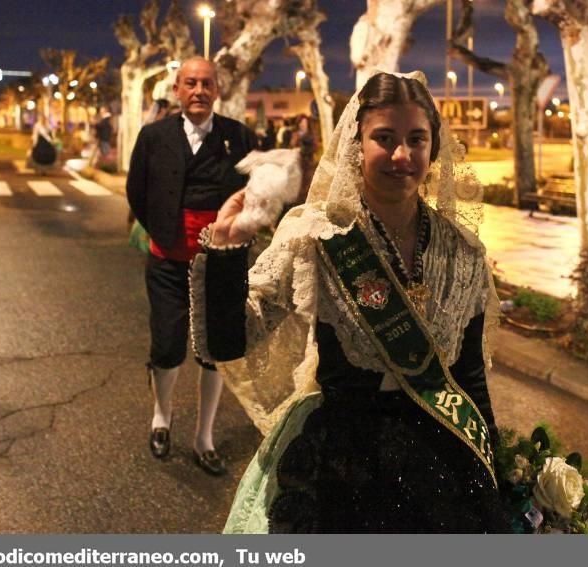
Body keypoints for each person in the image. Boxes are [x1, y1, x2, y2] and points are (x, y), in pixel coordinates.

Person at [189, 71, 509, 532]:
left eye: (416, 139)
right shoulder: (316, 236)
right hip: (340, 462)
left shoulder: (462, 253)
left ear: (433, 147)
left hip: (443, 462)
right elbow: (225, 345)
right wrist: (226, 246)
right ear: (355, 146)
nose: (402, 155)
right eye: (384, 138)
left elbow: (470, 382)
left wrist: (496, 475)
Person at [125, 57, 257, 476]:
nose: (198, 90)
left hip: (220, 265)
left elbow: (256, 195)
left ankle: (205, 437)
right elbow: (136, 191)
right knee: (167, 346)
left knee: (214, 354)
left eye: (206, 84)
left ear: (217, 90)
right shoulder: (153, 137)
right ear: (177, 90)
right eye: (190, 84)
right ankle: (161, 417)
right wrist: (162, 232)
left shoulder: (239, 137)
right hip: (167, 260)